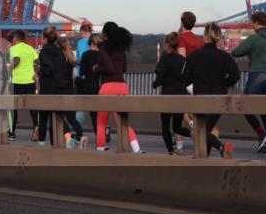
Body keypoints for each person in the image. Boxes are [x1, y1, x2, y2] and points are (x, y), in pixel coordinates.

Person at [181, 23, 240, 157]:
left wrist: (196, 80)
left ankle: (220, 147)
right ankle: (205, 158)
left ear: (206, 36)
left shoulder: (194, 56)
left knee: (200, 130)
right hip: (219, 99)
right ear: (217, 38)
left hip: (200, 99)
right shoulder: (225, 56)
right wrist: (223, 84)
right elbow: (235, 75)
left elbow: (185, 79)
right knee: (205, 129)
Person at [230, 11, 266, 156]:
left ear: (256, 22)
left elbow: (236, 52)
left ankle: (264, 137)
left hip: (257, 76)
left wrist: (251, 52)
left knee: (245, 107)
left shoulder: (254, 39)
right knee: (265, 113)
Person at [94, 22, 143, 153]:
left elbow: (109, 68)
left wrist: (97, 68)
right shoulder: (121, 49)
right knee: (123, 122)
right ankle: (137, 149)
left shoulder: (104, 48)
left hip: (108, 87)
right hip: (122, 86)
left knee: (101, 123)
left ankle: (100, 149)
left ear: (106, 34)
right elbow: (124, 69)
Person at [38, 26, 81, 148]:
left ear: (45, 39)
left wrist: (41, 71)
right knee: (55, 119)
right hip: (61, 89)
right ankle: (54, 145)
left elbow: (49, 69)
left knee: (43, 118)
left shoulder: (45, 51)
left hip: (47, 89)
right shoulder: (60, 52)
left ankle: (41, 144)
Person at [152, 32, 190, 155]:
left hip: (167, 95)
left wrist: (155, 84)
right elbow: (187, 78)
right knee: (177, 127)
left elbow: (160, 77)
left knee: (165, 127)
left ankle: (171, 152)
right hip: (180, 95)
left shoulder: (164, 58)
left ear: (167, 44)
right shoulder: (183, 60)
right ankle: (195, 134)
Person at [8, 30, 38, 141]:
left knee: (13, 108)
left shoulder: (13, 48)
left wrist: (9, 69)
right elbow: (37, 61)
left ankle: (11, 133)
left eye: (12, 38)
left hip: (17, 81)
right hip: (30, 81)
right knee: (32, 107)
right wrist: (36, 72)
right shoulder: (30, 48)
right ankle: (36, 129)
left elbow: (16, 60)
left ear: (15, 38)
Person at [77, 34, 103, 138]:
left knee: (89, 112)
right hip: (101, 86)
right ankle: (102, 131)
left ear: (91, 43)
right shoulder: (102, 55)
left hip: (88, 86)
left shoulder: (86, 55)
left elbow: (82, 72)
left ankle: (82, 133)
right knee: (99, 113)